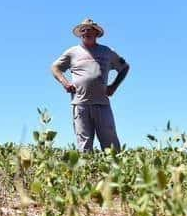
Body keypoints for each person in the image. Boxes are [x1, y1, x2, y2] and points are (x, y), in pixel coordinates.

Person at [51, 18, 129, 152]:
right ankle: (87, 171)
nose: (86, 32)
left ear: (96, 33)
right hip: (80, 104)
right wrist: (65, 83)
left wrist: (114, 86)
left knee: (110, 143)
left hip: (102, 103)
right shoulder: (72, 52)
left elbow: (124, 67)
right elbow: (55, 67)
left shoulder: (107, 52)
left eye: (89, 29)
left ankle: (115, 170)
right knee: (84, 143)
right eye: (83, 30)